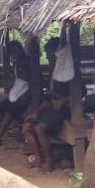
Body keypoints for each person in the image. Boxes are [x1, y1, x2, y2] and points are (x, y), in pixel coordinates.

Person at [23, 37, 74, 171]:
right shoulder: (53, 71)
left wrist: (63, 101)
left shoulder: (69, 70)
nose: (49, 58)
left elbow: (83, 93)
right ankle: (38, 158)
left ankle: (49, 161)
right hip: (52, 108)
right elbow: (49, 97)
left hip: (66, 109)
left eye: (51, 55)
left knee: (39, 128)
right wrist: (36, 110)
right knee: (27, 126)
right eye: (48, 55)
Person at [0, 41, 32, 147]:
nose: (13, 54)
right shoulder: (16, 64)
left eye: (15, 51)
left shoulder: (28, 62)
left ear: (20, 50)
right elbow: (15, 81)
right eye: (11, 53)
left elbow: (32, 83)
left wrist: (26, 97)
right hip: (14, 96)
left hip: (25, 97)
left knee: (8, 113)